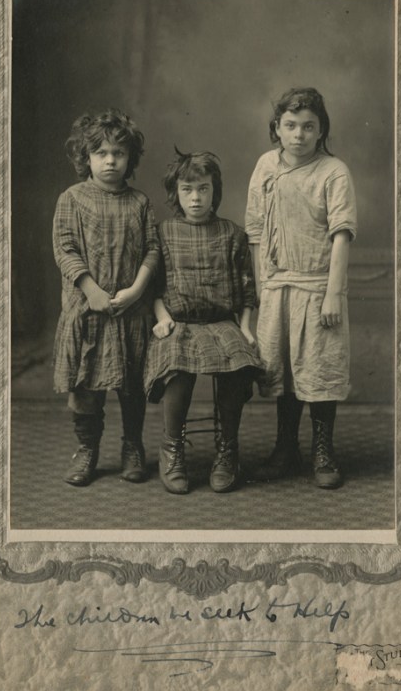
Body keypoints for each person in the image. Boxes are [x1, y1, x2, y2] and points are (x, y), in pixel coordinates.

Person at [245, 88, 357, 488]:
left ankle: (323, 452)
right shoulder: (265, 167)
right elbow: (256, 231)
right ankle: (286, 448)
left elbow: (342, 235)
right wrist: (262, 286)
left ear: (321, 129)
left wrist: (332, 293)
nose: (298, 135)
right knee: (284, 370)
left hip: (317, 287)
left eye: (308, 127)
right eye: (290, 126)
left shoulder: (333, 172)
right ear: (276, 128)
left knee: (319, 368)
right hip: (277, 286)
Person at [144, 150, 262, 495]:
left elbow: (246, 288)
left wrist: (245, 327)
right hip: (178, 323)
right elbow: (154, 287)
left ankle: (227, 450)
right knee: (177, 367)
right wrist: (163, 319)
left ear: (215, 191)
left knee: (238, 364)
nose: (196, 198)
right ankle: (172, 448)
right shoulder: (163, 232)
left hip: (222, 322)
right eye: (187, 190)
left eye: (204, 189)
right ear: (176, 193)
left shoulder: (231, 233)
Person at [53, 109, 159, 487]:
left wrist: (136, 290)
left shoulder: (139, 203)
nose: (110, 160)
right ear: (86, 158)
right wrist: (91, 290)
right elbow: (65, 249)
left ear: (130, 158)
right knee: (86, 389)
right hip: (89, 310)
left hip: (129, 310)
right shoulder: (72, 199)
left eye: (118, 153)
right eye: (100, 153)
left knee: (131, 384)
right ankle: (87, 450)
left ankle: (133, 446)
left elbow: (151, 249)